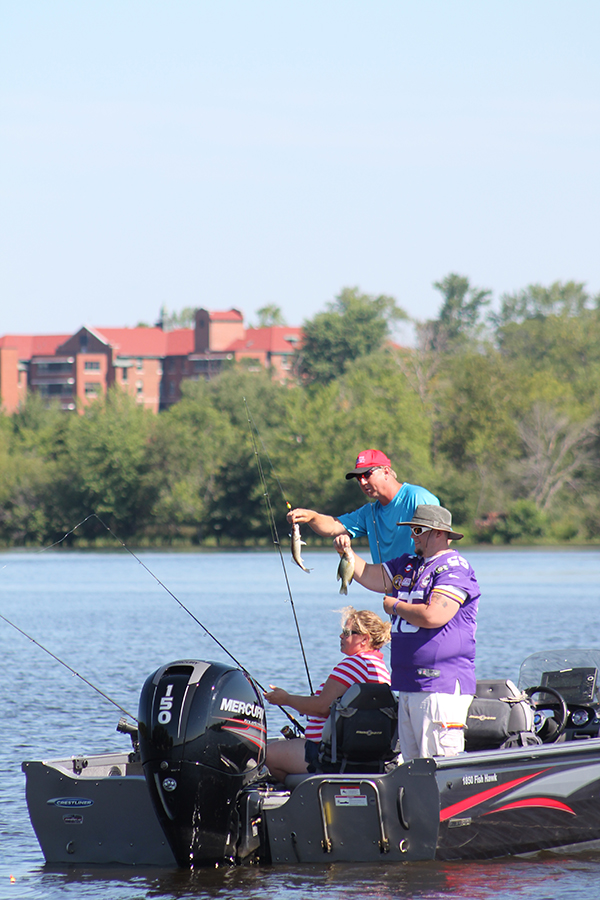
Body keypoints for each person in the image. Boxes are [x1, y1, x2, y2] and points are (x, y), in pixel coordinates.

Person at [342, 504, 480, 761]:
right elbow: (370, 576)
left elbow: (434, 615)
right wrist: (347, 552)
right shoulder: (407, 564)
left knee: (437, 768)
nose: (412, 536)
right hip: (408, 685)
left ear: (439, 533)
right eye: (412, 530)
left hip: (440, 686)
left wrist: (394, 605)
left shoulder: (454, 567)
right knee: (413, 769)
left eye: (418, 530)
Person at [264, 607, 391, 782]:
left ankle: (297, 796)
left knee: (266, 753)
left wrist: (285, 699)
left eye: (346, 632)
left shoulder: (354, 664)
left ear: (364, 639)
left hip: (327, 755)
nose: (341, 636)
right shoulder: (379, 667)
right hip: (360, 755)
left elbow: (322, 707)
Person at [287, 449, 439, 562]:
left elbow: (442, 541)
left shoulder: (418, 498)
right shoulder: (370, 512)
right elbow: (333, 527)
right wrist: (312, 517)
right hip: (395, 598)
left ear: (386, 471)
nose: (362, 482)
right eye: (358, 478)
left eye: (367, 474)